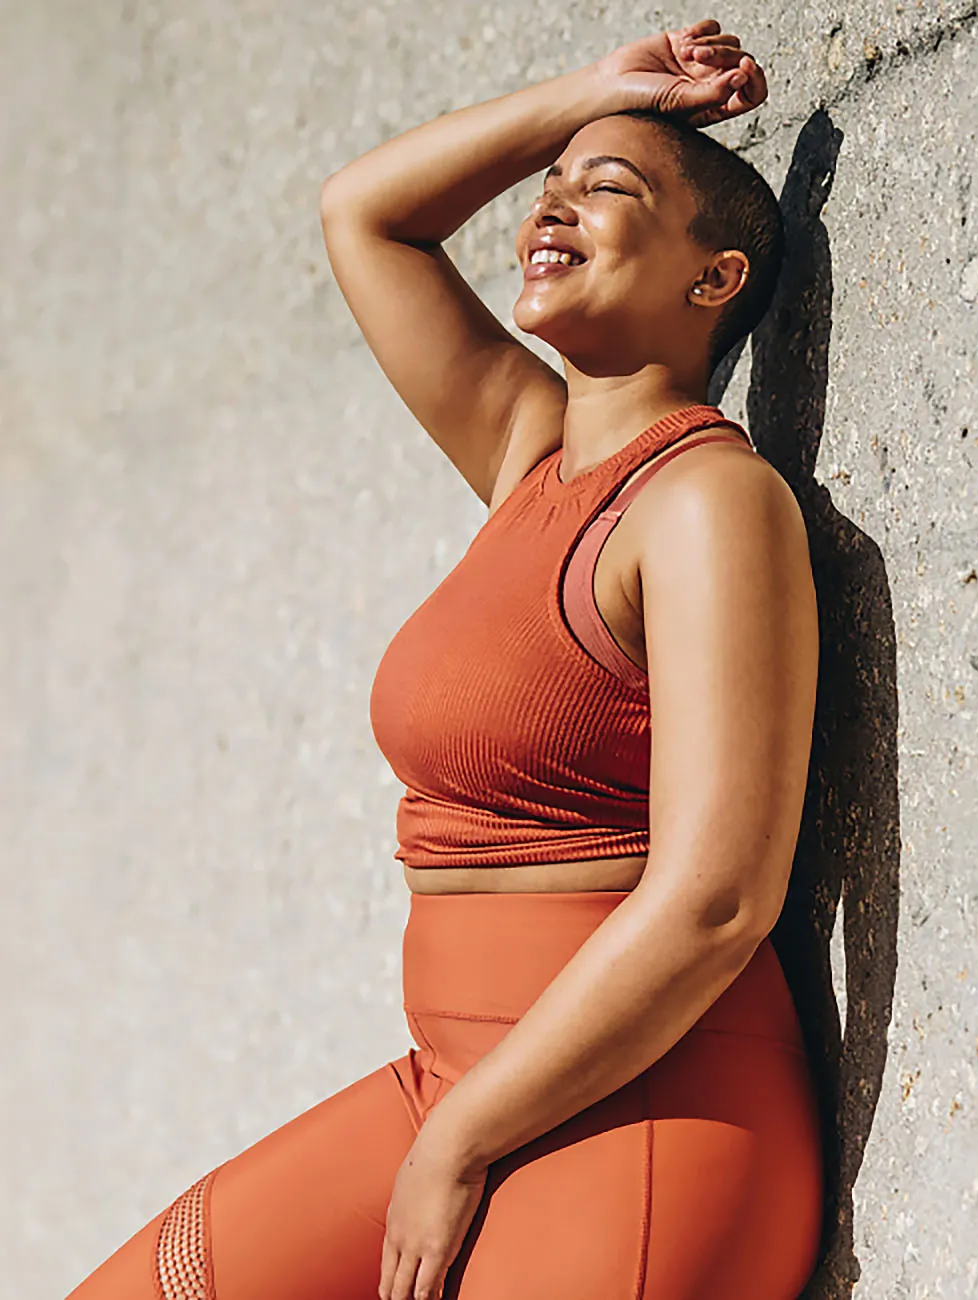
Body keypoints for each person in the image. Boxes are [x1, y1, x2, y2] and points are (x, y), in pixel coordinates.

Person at [66, 16, 822, 1300]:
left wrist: (461, 1141)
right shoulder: (530, 454)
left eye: (612, 190)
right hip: (453, 1077)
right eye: (548, 188)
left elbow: (717, 900)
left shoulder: (705, 502)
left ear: (715, 279)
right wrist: (596, 96)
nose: (551, 209)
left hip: (652, 1110)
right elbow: (364, 214)